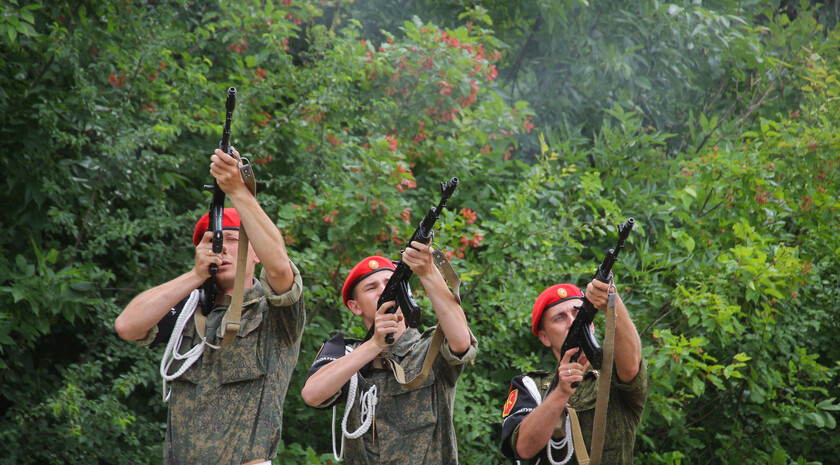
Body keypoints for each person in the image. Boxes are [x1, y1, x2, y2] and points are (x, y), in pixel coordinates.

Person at [114, 147, 305, 465]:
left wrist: (238, 192)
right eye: (212, 241)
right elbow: (127, 326)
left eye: (233, 240)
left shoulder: (272, 312)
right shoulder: (189, 311)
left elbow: (281, 270)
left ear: (254, 252)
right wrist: (195, 275)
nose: (223, 248)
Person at [301, 244, 477, 464]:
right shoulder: (348, 356)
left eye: (389, 283)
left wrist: (428, 272)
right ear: (355, 307)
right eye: (371, 287)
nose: (383, 291)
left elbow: (461, 342)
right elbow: (312, 395)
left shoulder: (428, 348)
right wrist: (374, 345)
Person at [500, 280, 648, 464]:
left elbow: (631, 365)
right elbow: (523, 448)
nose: (571, 322)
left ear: (591, 326)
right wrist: (561, 392)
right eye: (559, 318)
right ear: (545, 337)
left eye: (578, 314)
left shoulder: (610, 377)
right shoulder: (531, 386)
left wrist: (613, 302)